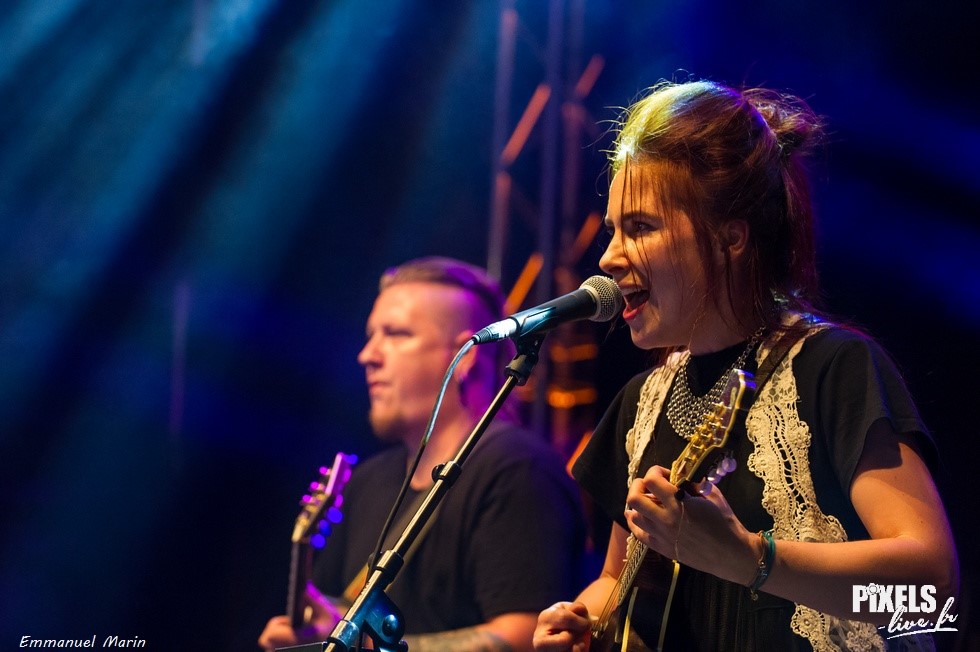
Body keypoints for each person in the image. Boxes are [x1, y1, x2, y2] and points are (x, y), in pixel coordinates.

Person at [532, 80, 959, 650]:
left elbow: (931, 596)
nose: (609, 257)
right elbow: (616, 580)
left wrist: (753, 559)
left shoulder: (832, 367)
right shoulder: (642, 402)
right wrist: (582, 621)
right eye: (613, 230)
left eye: (640, 227)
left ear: (729, 237)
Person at [260, 256, 586, 651]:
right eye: (371, 335)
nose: (368, 355)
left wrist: (365, 645)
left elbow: (523, 636)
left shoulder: (519, 471)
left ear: (465, 357)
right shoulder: (367, 481)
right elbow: (332, 616)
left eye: (396, 334)